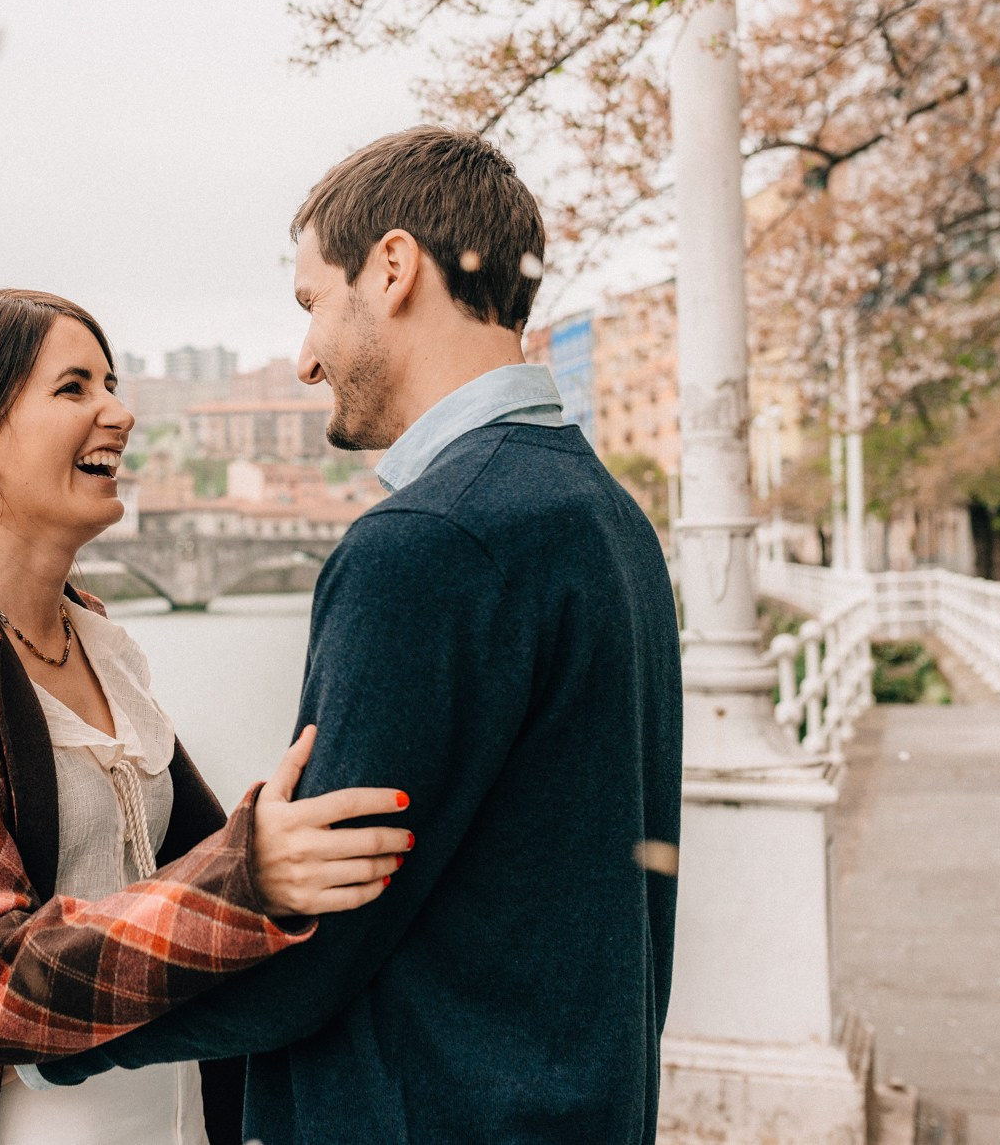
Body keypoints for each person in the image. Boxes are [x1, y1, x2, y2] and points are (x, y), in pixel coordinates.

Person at [34, 127, 686, 1143]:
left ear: (390, 269)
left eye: (310, 305)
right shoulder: (599, 513)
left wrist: (43, 1015)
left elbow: (321, 936)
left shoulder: (428, 543)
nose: (302, 361)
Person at [0, 288, 417, 1145]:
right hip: (17, 1125)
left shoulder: (92, 633)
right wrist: (247, 876)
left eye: (113, 383)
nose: (120, 413)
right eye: (74, 389)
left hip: (169, 1115)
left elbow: (196, 863)